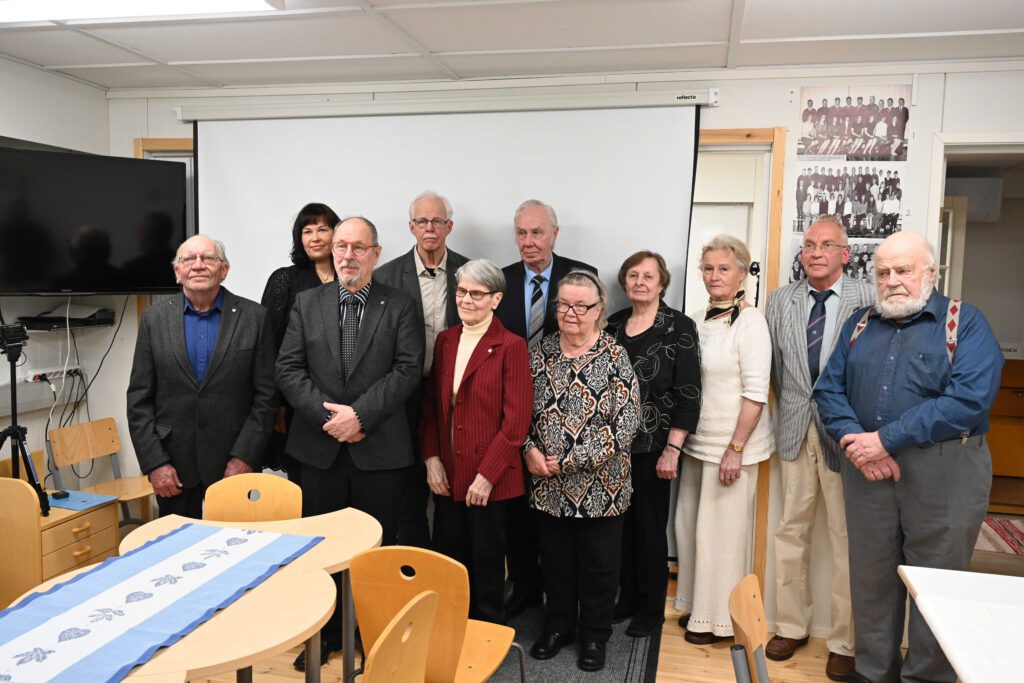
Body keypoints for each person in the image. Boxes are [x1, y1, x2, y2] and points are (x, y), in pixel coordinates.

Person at [814, 231, 1003, 683]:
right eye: (883, 273)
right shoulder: (859, 324)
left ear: (930, 273)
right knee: (871, 578)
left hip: (947, 473)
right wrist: (858, 444)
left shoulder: (965, 323)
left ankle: (927, 678)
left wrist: (886, 440)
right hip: (867, 472)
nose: (892, 281)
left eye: (903, 270)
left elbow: (969, 400)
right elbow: (829, 390)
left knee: (937, 585)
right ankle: (873, 672)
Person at [276, 216, 423, 670]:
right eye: (341, 246)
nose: (348, 255)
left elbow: (407, 369)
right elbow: (288, 369)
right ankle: (325, 634)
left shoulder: (400, 304)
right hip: (319, 450)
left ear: (376, 254)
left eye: (359, 247)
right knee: (323, 549)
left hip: (379, 450)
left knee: (376, 551)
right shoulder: (306, 303)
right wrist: (332, 419)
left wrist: (360, 416)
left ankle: (372, 633)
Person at [764, 215, 873, 682]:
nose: (815, 252)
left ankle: (844, 642)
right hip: (793, 429)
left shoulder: (868, 299)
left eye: (827, 245)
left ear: (845, 254)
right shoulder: (779, 301)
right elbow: (775, 370)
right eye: (809, 244)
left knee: (847, 539)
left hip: (846, 435)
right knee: (790, 531)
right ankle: (791, 625)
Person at [525, 270, 640, 672]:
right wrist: (528, 451)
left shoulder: (614, 356)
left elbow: (625, 424)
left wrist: (570, 461)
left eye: (581, 305)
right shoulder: (540, 353)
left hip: (602, 488)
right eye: (563, 304)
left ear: (598, 310)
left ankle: (594, 635)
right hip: (547, 485)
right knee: (555, 563)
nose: (570, 312)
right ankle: (558, 627)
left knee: (599, 567)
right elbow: (519, 410)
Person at [494, 198, 597, 618]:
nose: (529, 241)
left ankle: (565, 598)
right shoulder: (501, 281)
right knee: (517, 511)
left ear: (554, 234)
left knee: (561, 519)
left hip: (568, 413)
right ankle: (524, 589)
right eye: (521, 233)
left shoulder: (580, 276)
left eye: (537, 232)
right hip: (514, 408)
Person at [127, 235, 276, 519]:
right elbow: (139, 400)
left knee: (238, 543)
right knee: (177, 543)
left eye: (208, 258)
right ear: (177, 271)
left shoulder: (255, 318)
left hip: (234, 461)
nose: (198, 265)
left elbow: (267, 398)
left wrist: (245, 457)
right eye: (188, 259)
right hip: (173, 465)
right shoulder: (153, 319)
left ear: (224, 269)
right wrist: (155, 463)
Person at [673, 234, 774, 644]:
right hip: (698, 443)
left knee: (722, 537)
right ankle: (696, 607)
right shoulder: (697, 318)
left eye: (724, 269)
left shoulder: (751, 322)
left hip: (731, 447)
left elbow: (756, 392)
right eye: (709, 268)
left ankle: (717, 622)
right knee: (690, 530)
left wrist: (735, 449)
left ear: (742, 274)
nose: (715, 276)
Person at [419, 259, 532, 624]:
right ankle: (452, 632)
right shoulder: (446, 340)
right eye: (461, 291)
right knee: (451, 561)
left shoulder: (511, 345)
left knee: (486, 565)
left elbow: (515, 424)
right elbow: (431, 408)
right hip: (449, 473)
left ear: (496, 299)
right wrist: (432, 459)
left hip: (490, 479)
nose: (466, 300)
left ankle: (486, 636)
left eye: (477, 294)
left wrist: (487, 476)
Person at [606, 250, 701, 637]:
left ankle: (650, 609)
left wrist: (673, 449)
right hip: (611, 449)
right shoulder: (612, 325)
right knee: (619, 529)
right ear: (624, 282)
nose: (640, 282)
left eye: (648, 276)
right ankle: (626, 598)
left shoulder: (679, 327)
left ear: (662, 283)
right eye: (633, 275)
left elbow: (689, 393)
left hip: (655, 447)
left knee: (648, 529)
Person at [375, 190, 470, 548]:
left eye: (437, 221)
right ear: (411, 227)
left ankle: (450, 564)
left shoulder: (469, 272)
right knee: (407, 485)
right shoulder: (386, 276)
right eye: (422, 221)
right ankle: (415, 559)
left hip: (455, 394)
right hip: (402, 395)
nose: (430, 228)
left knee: (451, 483)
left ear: (449, 227)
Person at [261, 202, 341, 482]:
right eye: (307, 231)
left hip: (347, 403)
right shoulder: (284, 279)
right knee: (305, 484)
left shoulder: (354, 278)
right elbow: (268, 346)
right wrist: (277, 405)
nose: (315, 237)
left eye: (323, 229)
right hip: (297, 400)